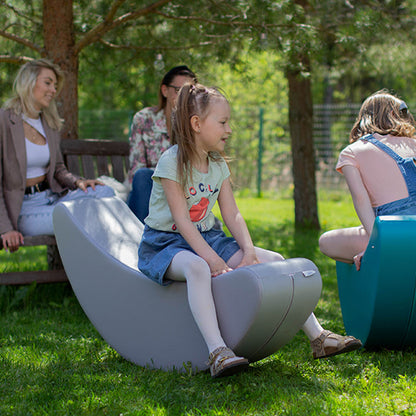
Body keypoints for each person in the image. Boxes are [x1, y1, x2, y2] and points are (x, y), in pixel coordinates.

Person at [138, 83, 362, 378]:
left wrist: (248, 250)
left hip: (209, 237)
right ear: (196, 124)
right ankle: (217, 351)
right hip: (167, 243)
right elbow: (182, 222)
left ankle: (318, 337)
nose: (229, 129)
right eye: (222, 122)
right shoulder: (172, 162)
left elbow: (232, 213)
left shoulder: (217, 164)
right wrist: (213, 261)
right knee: (197, 268)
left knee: (276, 260)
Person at [0, 59, 114, 253]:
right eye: (48, 83)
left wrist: (78, 182)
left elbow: (58, 168)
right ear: (29, 81)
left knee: (106, 193)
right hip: (25, 211)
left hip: (52, 198)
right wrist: (6, 229)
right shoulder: (4, 120)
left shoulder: (49, 123)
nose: (53, 90)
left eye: (55, 85)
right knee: (86, 216)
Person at [319, 90, 416, 270]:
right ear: (395, 115)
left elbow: (360, 199)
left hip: (393, 233)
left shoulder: (352, 152)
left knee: (325, 241)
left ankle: (379, 257)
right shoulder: (413, 144)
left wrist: (375, 245)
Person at [127, 65, 197, 222]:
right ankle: (144, 239)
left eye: (190, 93)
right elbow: (136, 169)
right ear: (165, 91)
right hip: (149, 190)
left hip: (183, 192)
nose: (184, 97)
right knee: (142, 175)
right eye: (179, 90)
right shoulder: (144, 119)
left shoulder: (196, 125)